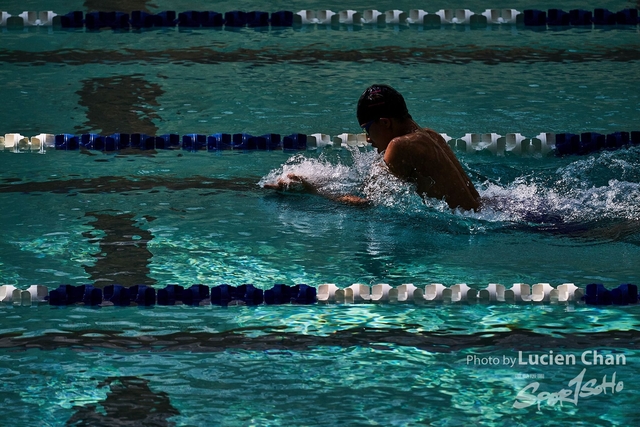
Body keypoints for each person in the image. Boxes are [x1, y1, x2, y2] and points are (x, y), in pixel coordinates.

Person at [266, 84, 481, 211]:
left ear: (385, 122)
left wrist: (312, 192)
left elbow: (368, 205)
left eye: (367, 130)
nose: (368, 140)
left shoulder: (400, 146)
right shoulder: (430, 135)